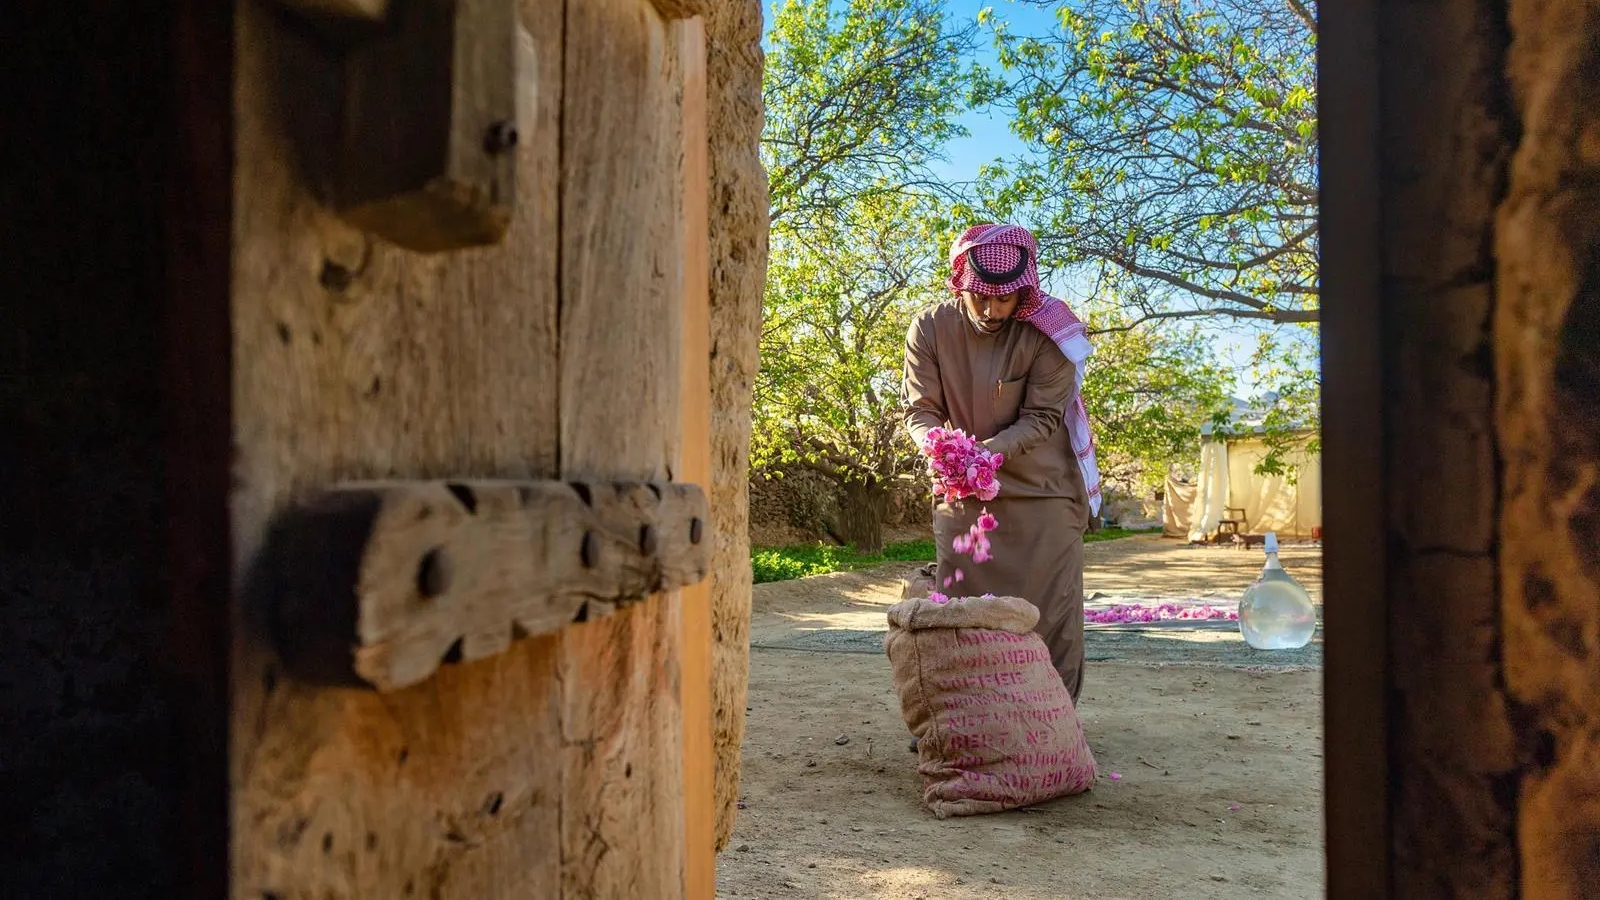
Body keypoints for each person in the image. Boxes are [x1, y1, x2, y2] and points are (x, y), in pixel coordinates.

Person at [902, 223, 1102, 703]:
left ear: (1024, 292)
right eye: (979, 299)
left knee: (1049, 615)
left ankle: (1052, 723)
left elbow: (1042, 418)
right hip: (963, 497)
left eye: (1004, 301)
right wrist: (940, 448)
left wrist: (983, 454)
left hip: (1044, 495)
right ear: (960, 283)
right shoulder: (929, 328)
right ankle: (958, 717)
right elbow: (919, 411)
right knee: (961, 613)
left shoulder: (1051, 331)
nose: (991, 311)